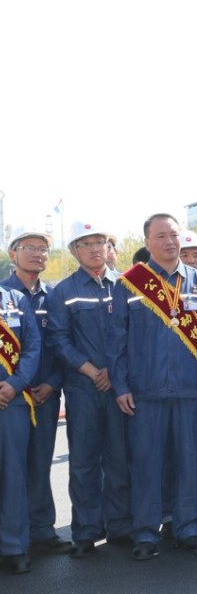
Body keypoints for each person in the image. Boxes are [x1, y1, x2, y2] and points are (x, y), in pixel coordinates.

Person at [109, 213, 197, 561]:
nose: (170, 242)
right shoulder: (129, 283)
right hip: (145, 392)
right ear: (147, 242)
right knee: (146, 464)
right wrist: (121, 385)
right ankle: (145, 532)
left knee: (191, 463)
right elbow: (117, 341)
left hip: (191, 390)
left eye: (174, 235)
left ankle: (189, 527)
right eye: (161, 236)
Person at [47, 222, 133, 559]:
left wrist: (113, 372)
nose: (95, 249)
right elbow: (58, 339)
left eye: (100, 241)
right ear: (74, 251)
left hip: (119, 387)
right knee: (83, 463)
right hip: (82, 390)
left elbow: (133, 334)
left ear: (109, 246)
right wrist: (91, 370)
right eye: (85, 244)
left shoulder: (125, 287)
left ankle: (121, 526)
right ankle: (85, 530)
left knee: (120, 459)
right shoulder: (63, 291)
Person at [4, 228, 70, 555]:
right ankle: (13, 535)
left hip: (45, 393)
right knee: (10, 468)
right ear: (12, 253)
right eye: (28, 247)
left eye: (43, 249)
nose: (37, 254)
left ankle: (42, 529)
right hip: (12, 397)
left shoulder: (53, 296)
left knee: (41, 463)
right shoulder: (4, 295)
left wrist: (53, 382)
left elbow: (61, 344)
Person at [0, 272, 42, 575]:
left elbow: (32, 347)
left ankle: (13, 546)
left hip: (11, 401)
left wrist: (16, 383)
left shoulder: (15, 302)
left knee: (12, 477)